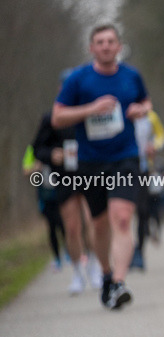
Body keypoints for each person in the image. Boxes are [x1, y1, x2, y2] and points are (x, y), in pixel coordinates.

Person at [52, 24, 152, 309]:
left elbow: (146, 101)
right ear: (91, 48)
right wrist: (90, 109)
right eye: (100, 42)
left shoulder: (131, 76)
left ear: (119, 47)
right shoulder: (78, 80)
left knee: (121, 217)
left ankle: (119, 282)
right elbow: (58, 116)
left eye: (111, 41)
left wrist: (141, 109)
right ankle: (106, 276)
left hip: (126, 157)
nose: (106, 46)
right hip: (91, 161)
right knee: (99, 224)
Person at [30, 80, 105, 293]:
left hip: (90, 173)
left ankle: (94, 267)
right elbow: (37, 149)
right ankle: (77, 273)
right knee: (72, 228)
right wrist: (52, 155)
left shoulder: (91, 113)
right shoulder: (51, 118)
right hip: (64, 177)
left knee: (93, 223)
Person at [22, 145, 67, 274]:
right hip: (45, 195)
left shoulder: (58, 143)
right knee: (52, 226)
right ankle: (57, 258)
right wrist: (37, 166)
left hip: (60, 191)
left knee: (63, 224)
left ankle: (68, 252)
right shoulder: (33, 149)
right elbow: (25, 170)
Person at [131, 109, 164, 270]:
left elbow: (161, 136)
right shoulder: (120, 114)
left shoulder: (151, 116)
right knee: (122, 214)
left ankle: (139, 251)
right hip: (118, 168)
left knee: (143, 210)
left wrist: (154, 145)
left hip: (144, 169)